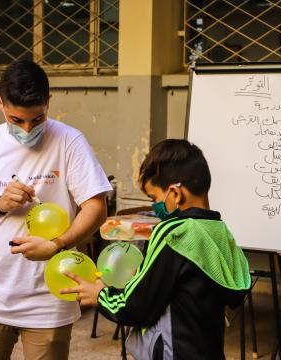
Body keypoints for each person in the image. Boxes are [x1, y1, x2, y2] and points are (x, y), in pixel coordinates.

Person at [0, 59, 112, 359]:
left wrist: (56, 244)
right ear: (0, 104)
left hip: (47, 302)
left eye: (37, 120)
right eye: (17, 120)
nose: (27, 129)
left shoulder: (69, 141)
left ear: (48, 102)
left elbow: (96, 207)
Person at [61, 139, 251, 360]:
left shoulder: (173, 232)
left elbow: (136, 306)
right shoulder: (220, 231)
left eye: (155, 198)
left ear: (175, 193)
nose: (155, 206)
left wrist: (100, 295)